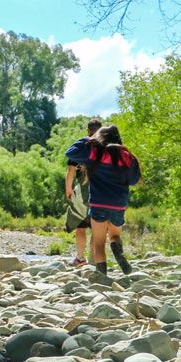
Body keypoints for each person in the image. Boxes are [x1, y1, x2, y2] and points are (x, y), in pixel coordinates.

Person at [65, 125, 142, 276]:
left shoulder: (95, 152)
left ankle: (102, 274)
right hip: (119, 204)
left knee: (99, 242)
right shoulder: (127, 156)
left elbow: (70, 152)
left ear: (101, 137)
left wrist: (89, 139)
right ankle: (118, 253)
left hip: (98, 203)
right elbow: (133, 180)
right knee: (114, 236)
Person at [65, 118, 102, 266]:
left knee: (80, 226)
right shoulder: (105, 149)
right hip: (100, 192)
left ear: (88, 131)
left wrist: (68, 190)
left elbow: (70, 172)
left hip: (81, 193)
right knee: (97, 228)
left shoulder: (80, 148)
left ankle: (80, 258)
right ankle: (94, 259)